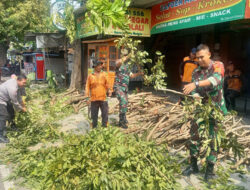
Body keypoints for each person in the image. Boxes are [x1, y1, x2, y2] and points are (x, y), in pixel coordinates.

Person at [183, 44, 227, 181]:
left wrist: (196, 85)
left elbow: (216, 80)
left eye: (202, 57)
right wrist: (195, 95)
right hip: (200, 109)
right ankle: (194, 165)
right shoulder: (195, 72)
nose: (200, 60)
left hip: (215, 109)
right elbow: (193, 90)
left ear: (209, 55)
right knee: (194, 136)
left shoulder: (218, 65)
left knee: (213, 139)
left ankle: (209, 169)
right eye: (197, 58)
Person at [114, 48, 144, 129]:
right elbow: (118, 63)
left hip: (125, 88)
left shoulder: (127, 66)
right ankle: (122, 121)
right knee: (123, 101)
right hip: (118, 87)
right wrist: (129, 55)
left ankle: (122, 118)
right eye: (125, 55)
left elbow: (131, 75)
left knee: (125, 103)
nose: (126, 57)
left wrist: (139, 73)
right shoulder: (119, 63)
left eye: (126, 55)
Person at [0, 74, 27, 143]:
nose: (24, 84)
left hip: (6, 98)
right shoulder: (13, 88)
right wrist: (21, 109)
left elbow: (19, 97)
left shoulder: (17, 85)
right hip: (1, 99)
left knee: (11, 113)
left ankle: (13, 126)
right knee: (3, 116)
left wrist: (23, 105)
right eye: (23, 83)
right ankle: (1, 136)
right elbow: (15, 102)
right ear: (18, 80)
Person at [85, 60, 111, 128]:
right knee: (94, 116)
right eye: (98, 65)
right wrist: (87, 97)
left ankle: (104, 128)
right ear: (95, 67)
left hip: (103, 98)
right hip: (94, 99)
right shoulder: (90, 75)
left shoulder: (104, 74)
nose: (100, 67)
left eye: (100, 65)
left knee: (105, 115)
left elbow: (108, 84)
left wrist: (110, 90)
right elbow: (87, 87)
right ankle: (94, 128)